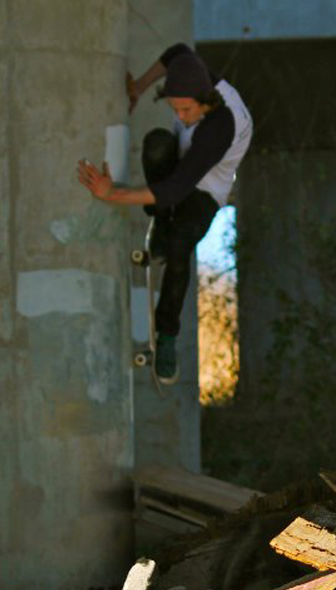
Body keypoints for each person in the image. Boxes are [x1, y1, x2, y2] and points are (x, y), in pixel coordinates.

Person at [77, 43, 253, 384]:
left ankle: (168, 333)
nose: (181, 117)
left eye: (186, 110)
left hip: (206, 189)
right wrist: (139, 87)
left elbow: (175, 188)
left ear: (205, 100)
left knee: (179, 245)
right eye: (175, 109)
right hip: (183, 166)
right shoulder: (196, 76)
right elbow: (177, 52)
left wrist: (111, 193)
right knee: (157, 142)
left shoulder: (220, 128)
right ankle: (161, 221)